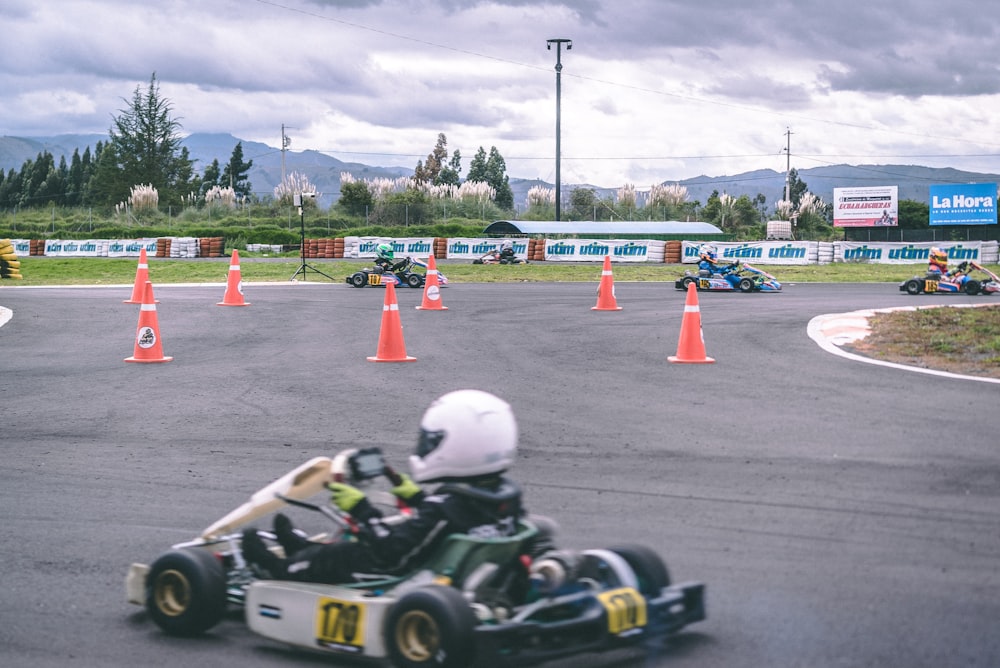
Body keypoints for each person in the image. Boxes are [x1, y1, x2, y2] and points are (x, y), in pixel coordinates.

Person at [242, 390, 540, 584]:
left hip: (399, 575)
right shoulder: (502, 497)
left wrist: (361, 508)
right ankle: (302, 549)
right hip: (450, 566)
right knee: (349, 546)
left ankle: (278, 570)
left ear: (460, 445)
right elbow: (441, 523)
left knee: (337, 556)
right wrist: (410, 493)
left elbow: (390, 553)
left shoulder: (445, 508)